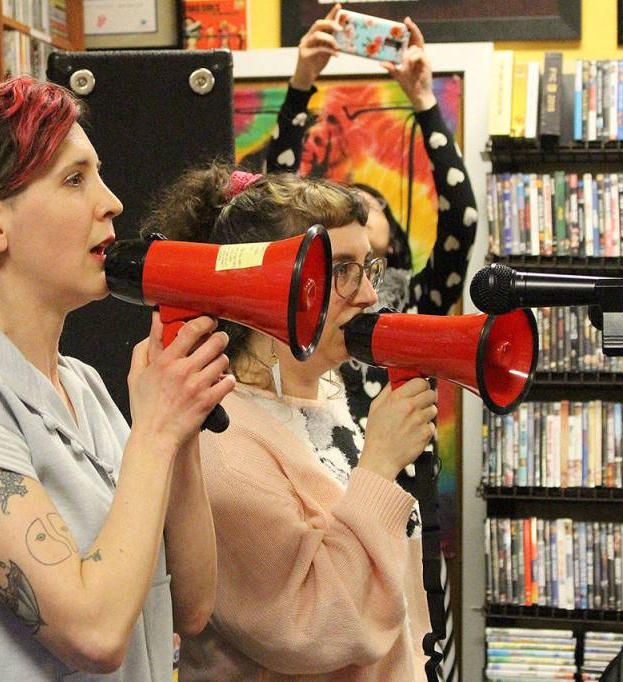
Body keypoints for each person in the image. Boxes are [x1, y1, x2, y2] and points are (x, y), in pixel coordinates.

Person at [0, 77, 232, 680]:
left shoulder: (81, 385)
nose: (111, 201)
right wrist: (156, 432)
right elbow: (94, 634)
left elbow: (192, 605)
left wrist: (180, 424)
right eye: (74, 179)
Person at [142, 166, 439, 680]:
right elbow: (312, 629)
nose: (369, 295)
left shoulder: (326, 392)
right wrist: (381, 466)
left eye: (366, 266)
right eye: (341, 269)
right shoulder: (219, 439)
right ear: (269, 282)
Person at [266, 7, 478, 431]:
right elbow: (272, 206)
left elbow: (462, 217)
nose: (358, 214)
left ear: (391, 242)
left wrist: (423, 99)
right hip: (325, 475)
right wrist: (301, 82)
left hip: (406, 484)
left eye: (370, 206)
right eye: (346, 210)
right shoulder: (310, 306)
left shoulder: (418, 304)